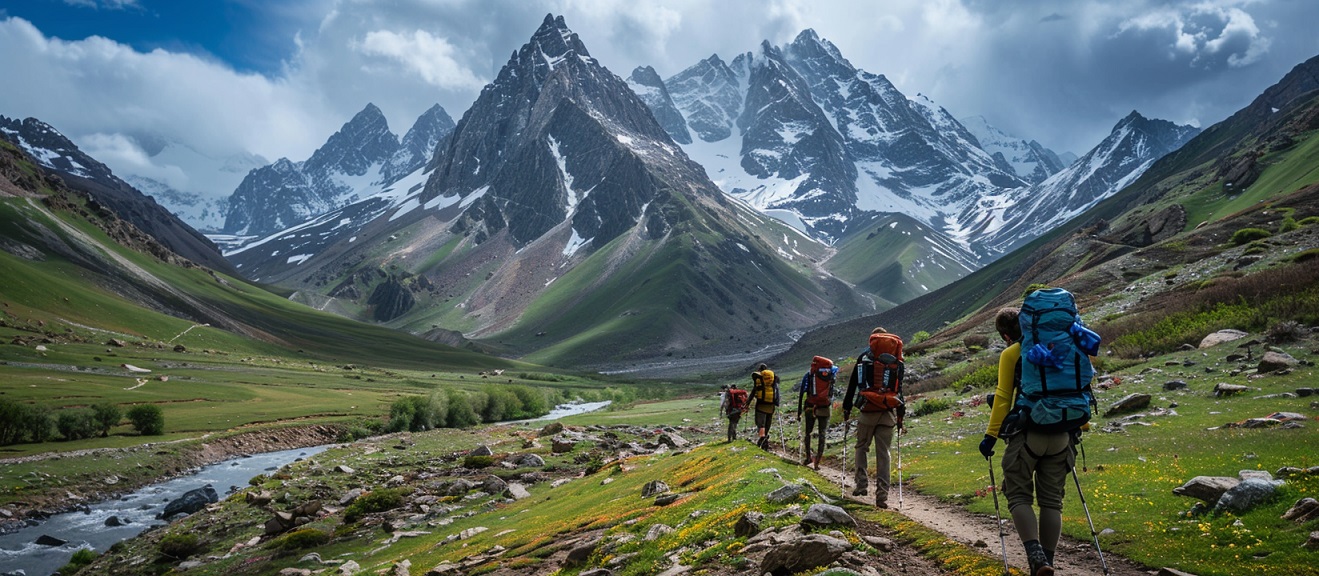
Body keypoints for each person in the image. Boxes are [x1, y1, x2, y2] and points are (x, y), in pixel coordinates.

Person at [978, 306, 1073, 576]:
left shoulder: (1012, 353)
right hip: (1063, 434)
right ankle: (1049, 561)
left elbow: (1003, 398)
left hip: (1028, 434)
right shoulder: (1059, 345)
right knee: (1052, 501)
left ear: (1006, 335)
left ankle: (1036, 558)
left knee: (1018, 495)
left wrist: (990, 437)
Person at [842, 327, 905, 508]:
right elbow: (899, 390)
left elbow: (853, 385)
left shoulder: (864, 359)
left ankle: (861, 485)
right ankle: (882, 497)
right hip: (887, 415)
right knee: (883, 455)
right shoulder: (896, 361)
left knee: (861, 447)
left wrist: (847, 409)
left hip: (867, 412)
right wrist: (900, 416)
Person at [795, 356, 837, 470]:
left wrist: (799, 412)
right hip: (825, 407)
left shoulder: (809, 375)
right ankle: (817, 461)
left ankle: (808, 457)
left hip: (810, 406)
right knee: (822, 433)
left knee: (808, 432)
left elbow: (802, 392)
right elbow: (832, 391)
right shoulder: (831, 373)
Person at [750, 363, 779, 449]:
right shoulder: (773, 378)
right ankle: (765, 441)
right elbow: (777, 391)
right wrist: (777, 402)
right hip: (771, 406)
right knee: (767, 424)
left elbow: (753, 392)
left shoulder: (759, 379)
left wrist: (747, 404)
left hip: (760, 405)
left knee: (760, 424)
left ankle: (763, 440)